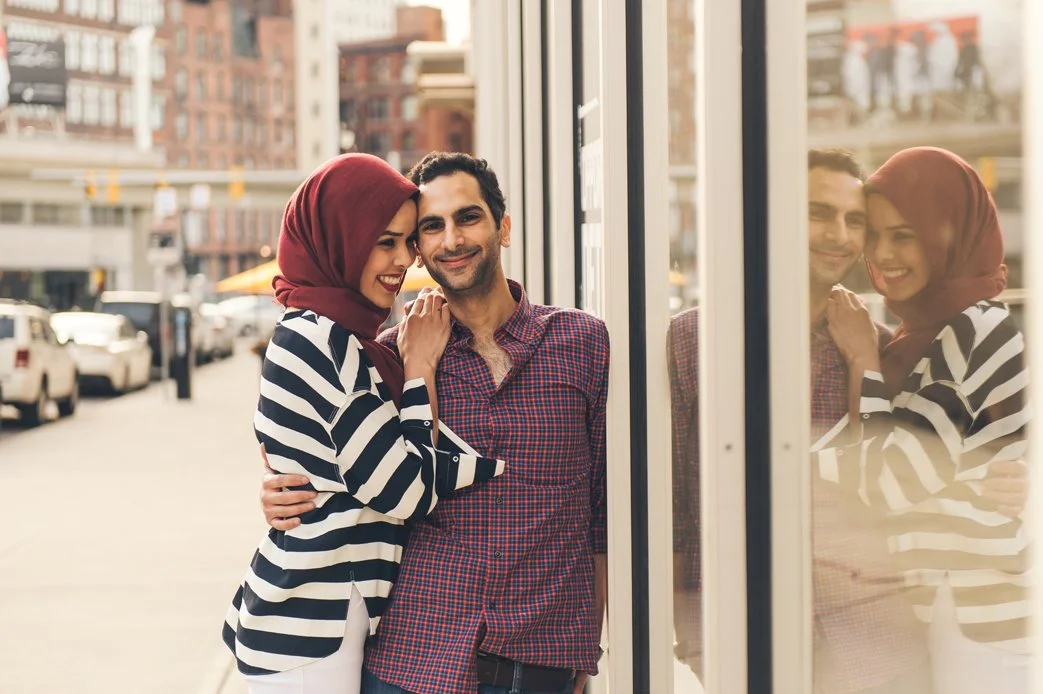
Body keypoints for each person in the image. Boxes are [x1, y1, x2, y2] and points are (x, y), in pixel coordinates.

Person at [669, 149, 1027, 693]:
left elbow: (906, 472)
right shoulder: (694, 341)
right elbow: (671, 499)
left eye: (854, 220)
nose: (839, 235)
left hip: (881, 641)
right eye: (818, 213)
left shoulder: (886, 352)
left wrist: (1004, 478)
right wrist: (683, 626)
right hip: (745, 628)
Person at [259, 152, 610, 694]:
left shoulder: (582, 344)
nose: (452, 240)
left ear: (503, 227)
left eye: (468, 217)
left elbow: (603, 512)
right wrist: (277, 491)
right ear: (419, 248)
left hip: (540, 663)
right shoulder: (389, 358)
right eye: (431, 227)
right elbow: (324, 449)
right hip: (412, 663)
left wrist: (587, 650)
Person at [223, 153, 505, 694]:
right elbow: (402, 491)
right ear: (340, 240)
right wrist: (420, 369)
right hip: (307, 628)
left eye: (407, 241)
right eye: (384, 241)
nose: (404, 260)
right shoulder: (320, 338)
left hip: (326, 620)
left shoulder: (349, 340)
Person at [820, 147, 1031, 694]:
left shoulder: (975, 330)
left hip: (976, 619)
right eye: (875, 234)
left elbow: (891, 480)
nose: (882, 254)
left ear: (950, 234)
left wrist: (862, 361)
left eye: (905, 235)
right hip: (943, 610)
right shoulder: (924, 336)